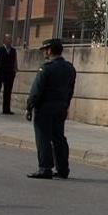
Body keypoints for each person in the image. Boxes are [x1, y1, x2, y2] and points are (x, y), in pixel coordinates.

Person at [25, 38, 76, 179]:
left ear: (50, 50)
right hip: (61, 107)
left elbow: (36, 90)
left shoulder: (46, 68)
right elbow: (70, 90)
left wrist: (29, 106)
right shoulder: (70, 68)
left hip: (45, 108)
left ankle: (45, 168)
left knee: (43, 138)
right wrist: (65, 105)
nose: (44, 53)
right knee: (59, 138)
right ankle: (63, 169)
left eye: (45, 50)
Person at [0, 34, 18, 115]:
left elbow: (15, 61)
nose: (10, 40)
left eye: (10, 39)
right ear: (4, 40)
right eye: (8, 39)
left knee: (8, 91)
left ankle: (6, 109)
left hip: (9, 73)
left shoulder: (13, 50)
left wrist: (15, 70)